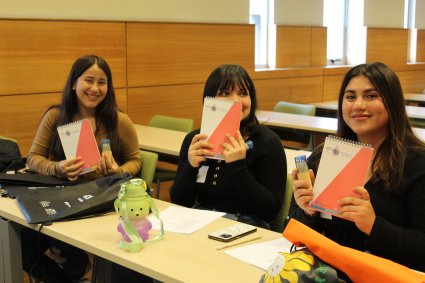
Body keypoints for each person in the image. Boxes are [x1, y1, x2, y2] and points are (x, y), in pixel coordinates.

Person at [290, 62, 425, 273]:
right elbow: (297, 237)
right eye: (350, 97)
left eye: (371, 96)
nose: (358, 105)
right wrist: (308, 213)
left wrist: (373, 225)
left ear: (393, 102)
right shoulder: (324, 155)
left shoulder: (417, 163)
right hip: (330, 272)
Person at [23, 54, 141, 282]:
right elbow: (33, 158)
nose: (95, 88)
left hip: (101, 201)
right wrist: (57, 167)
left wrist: (118, 171)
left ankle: (75, 270)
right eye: (89, 80)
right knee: (23, 245)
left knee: (68, 250)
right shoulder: (56, 116)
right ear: (74, 83)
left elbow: (135, 161)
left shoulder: (119, 120)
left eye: (102, 82)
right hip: (61, 198)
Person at [170, 64, 287, 229]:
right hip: (199, 220)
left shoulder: (268, 143)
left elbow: (269, 212)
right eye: (225, 93)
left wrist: (238, 166)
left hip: (246, 225)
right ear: (209, 99)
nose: (235, 101)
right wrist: (191, 166)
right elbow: (180, 202)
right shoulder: (196, 141)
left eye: (243, 93)